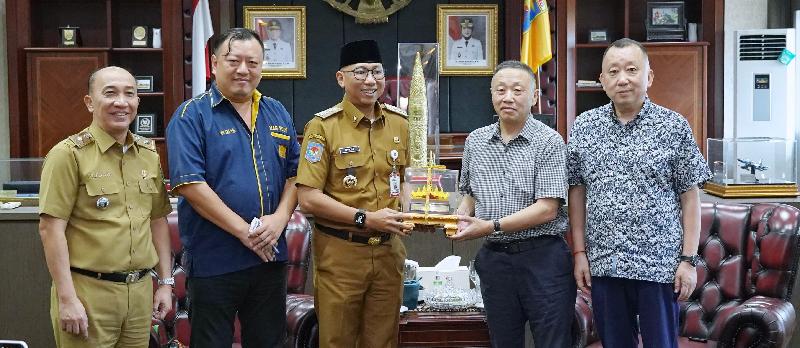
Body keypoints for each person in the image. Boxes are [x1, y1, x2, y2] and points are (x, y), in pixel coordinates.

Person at [567, 38, 711, 348]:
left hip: (658, 265)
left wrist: (688, 260)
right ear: (602, 80)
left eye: (632, 70)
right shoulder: (584, 126)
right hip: (605, 262)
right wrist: (579, 254)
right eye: (613, 71)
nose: (623, 79)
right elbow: (576, 193)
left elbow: (690, 198)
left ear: (649, 77)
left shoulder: (673, 126)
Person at [166, 28, 300, 347]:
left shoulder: (276, 111)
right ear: (214, 64)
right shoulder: (190, 116)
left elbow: (297, 175)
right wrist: (245, 232)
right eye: (233, 61)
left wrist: (280, 218)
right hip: (215, 261)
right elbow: (191, 186)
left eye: (252, 62)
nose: (243, 69)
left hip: (268, 258)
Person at [39, 66, 173, 347]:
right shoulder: (68, 155)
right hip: (88, 293)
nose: (121, 102)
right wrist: (67, 298)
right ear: (90, 102)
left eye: (129, 94)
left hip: (139, 294)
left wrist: (165, 283)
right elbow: (51, 230)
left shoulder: (148, 154)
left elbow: (157, 220)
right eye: (110, 93)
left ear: (137, 102)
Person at [295, 39, 412, 348]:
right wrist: (366, 218)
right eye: (360, 72)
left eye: (376, 72)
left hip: (388, 254)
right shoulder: (323, 127)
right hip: (341, 254)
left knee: (383, 342)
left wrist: (417, 210)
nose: (370, 80)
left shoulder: (400, 124)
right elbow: (308, 198)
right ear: (341, 78)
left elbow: (408, 180)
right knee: (338, 341)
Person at [451, 60, 575, 347]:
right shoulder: (475, 141)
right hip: (495, 261)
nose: (508, 97)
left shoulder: (549, 142)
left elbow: (548, 209)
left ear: (534, 96)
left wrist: (490, 226)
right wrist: (458, 218)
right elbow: (469, 194)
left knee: (553, 343)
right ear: (491, 94)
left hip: (543, 259)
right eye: (501, 90)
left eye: (517, 90)